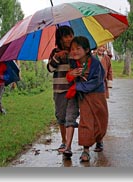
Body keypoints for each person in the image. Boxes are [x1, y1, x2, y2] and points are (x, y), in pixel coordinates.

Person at [66, 36, 108, 162]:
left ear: (87, 50)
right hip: (83, 96)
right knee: (86, 120)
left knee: (100, 119)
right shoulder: (73, 62)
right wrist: (70, 75)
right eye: (72, 49)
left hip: (97, 94)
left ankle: (99, 139)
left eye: (78, 48)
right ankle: (86, 150)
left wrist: (77, 86)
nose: (74, 51)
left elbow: (97, 80)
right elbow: (69, 77)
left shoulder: (95, 63)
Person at [47, 25, 79, 158]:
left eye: (71, 35)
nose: (69, 38)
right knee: (61, 116)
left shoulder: (76, 51)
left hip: (73, 89)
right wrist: (58, 57)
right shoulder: (55, 52)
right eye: (66, 36)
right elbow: (50, 68)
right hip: (59, 91)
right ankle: (64, 141)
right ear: (60, 39)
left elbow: (81, 66)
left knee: (70, 117)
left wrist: (72, 56)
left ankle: (68, 146)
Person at [92, 45, 113, 152]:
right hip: (91, 88)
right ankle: (90, 139)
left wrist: (109, 83)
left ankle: (99, 141)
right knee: (92, 113)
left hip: (102, 87)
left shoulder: (107, 59)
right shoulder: (91, 56)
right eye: (100, 47)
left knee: (101, 112)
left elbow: (110, 71)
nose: (101, 49)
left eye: (103, 47)